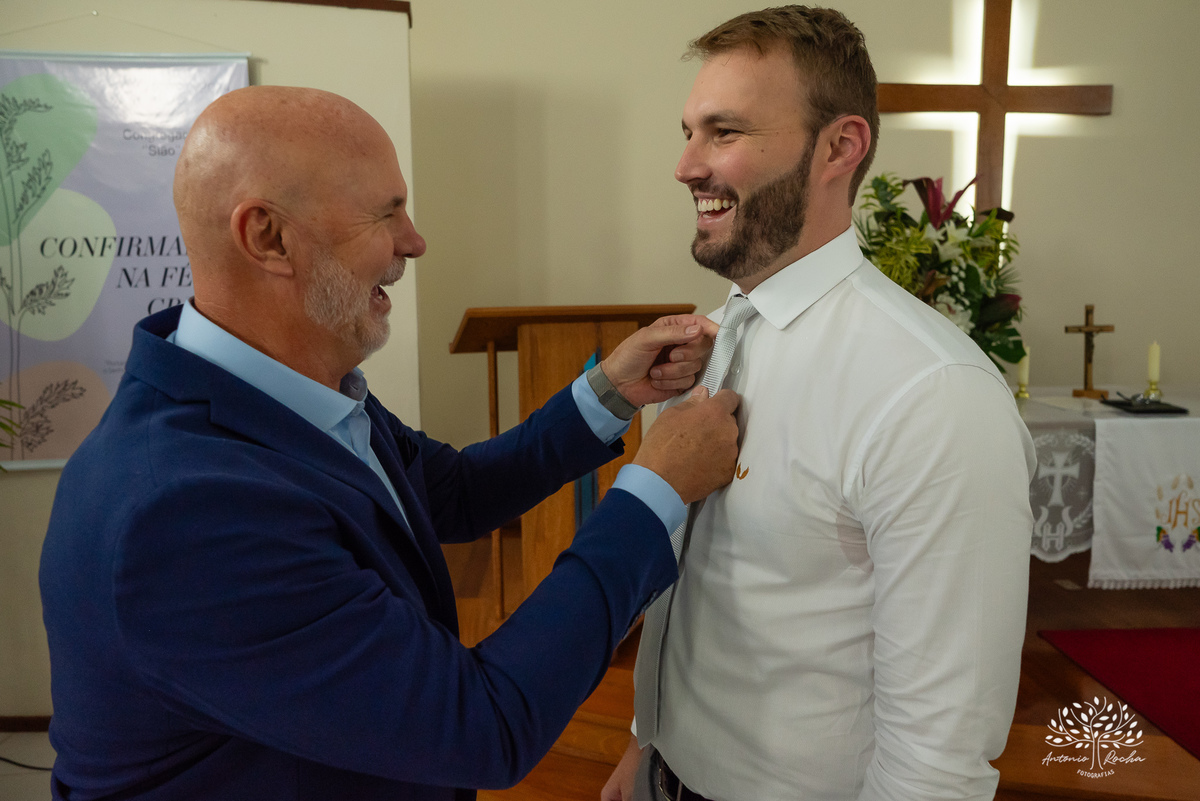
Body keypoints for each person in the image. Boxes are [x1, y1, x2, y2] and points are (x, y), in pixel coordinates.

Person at [39, 86, 744, 801]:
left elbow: (455, 492)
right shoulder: (184, 512)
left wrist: (612, 393)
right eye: (386, 213)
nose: (415, 241)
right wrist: (654, 491)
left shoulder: (291, 390)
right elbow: (480, 726)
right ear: (268, 238)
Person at [602, 7, 1037, 800]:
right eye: (689, 130)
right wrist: (646, 743)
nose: (685, 164)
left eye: (723, 132)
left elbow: (938, 758)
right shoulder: (722, 326)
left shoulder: (932, 396)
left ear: (840, 147)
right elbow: (698, 581)